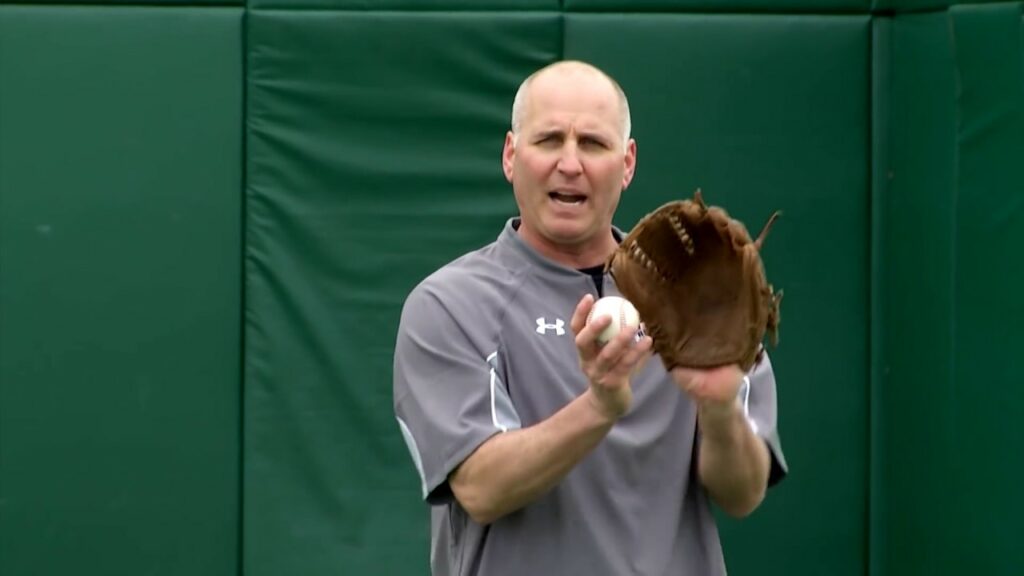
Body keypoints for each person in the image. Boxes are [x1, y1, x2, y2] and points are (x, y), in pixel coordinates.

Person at [393, 60, 787, 576]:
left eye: (594, 144)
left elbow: (741, 493)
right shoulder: (450, 303)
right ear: (511, 156)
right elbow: (480, 488)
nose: (570, 163)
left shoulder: (698, 293)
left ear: (627, 163)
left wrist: (717, 408)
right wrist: (602, 405)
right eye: (549, 140)